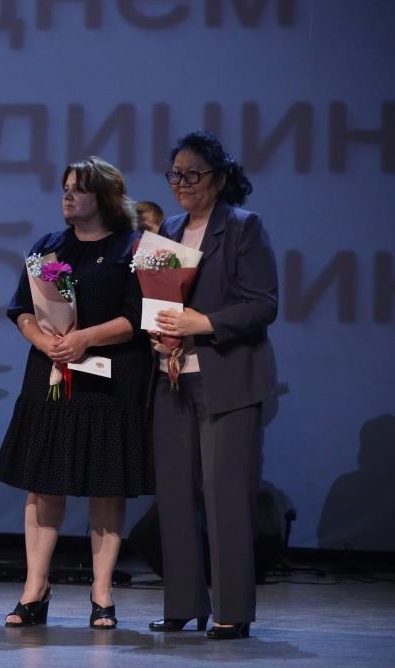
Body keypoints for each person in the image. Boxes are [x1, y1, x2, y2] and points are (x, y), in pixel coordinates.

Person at [0, 157, 153, 628]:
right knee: (43, 483)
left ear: (105, 196)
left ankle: (102, 592)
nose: (67, 195)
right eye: (65, 187)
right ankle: (35, 588)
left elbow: (138, 317)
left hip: (109, 381)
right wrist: (43, 340)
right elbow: (21, 308)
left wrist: (85, 338)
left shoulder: (133, 248)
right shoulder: (49, 245)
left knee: (106, 485)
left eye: (78, 189)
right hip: (51, 375)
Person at [148, 131, 278, 640]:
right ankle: (184, 603)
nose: (181, 183)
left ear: (220, 179)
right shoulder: (169, 230)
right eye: (175, 174)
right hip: (173, 377)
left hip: (229, 379)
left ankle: (232, 610)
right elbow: (163, 303)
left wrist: (201, 323)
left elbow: (263, 304)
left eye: (193, 174)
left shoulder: (244, 227)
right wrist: (160, 331)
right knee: (175, 495)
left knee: (226, 497)